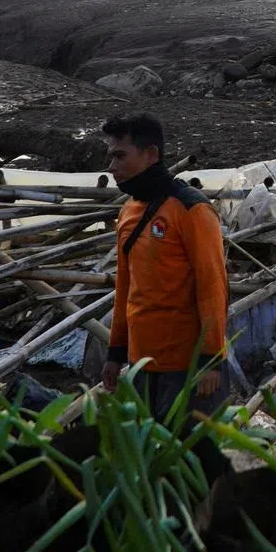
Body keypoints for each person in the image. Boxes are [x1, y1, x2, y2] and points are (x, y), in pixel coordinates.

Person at [100, 114, 229, 421]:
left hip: (186, 366)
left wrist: (211, 359)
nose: (111, 166)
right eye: (110, 156)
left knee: (189, 457)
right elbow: (125, 287)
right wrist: (116, 353)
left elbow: (212, 286)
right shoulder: (130, 210)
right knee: (149, 457)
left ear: (151, 154)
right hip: (142, 363)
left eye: (120, 155)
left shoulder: (191, 209)